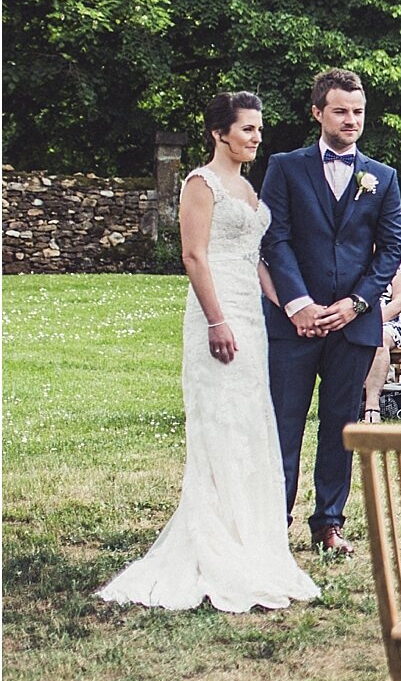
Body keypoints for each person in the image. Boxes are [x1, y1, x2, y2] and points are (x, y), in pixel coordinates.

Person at [99, 92, 321, 611]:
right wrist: (217, 320)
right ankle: (214, 540)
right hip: (216, 312)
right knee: (220, 422)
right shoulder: (202, 183)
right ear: (220, 133)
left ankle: (251, 538)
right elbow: (194, 256)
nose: (256, 138)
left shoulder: (247, 188)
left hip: (251, 313)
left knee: (249, 423)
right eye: (247, 129)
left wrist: (291, 307)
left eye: (259, 130)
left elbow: (257, 260)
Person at [259, 67, 401, 558]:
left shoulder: (383, 177)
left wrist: (356, 303)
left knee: (340, 423)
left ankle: (329, 523)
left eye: (358, 112)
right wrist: (298, 305)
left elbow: (389, 250)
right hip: (293, 321)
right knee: (284, 421)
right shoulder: (284, 166)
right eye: (340, 111)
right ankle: (271, 520)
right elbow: (274, 238)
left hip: (353, 323)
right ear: (318, 112)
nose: (351, 120)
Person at [359, 257, 401, 426]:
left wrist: (372, 322)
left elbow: (400, 302)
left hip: (387, 320)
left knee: (378, 339)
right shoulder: (350, 257)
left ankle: (372, 405)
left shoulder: (395, 262)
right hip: (352, 318)